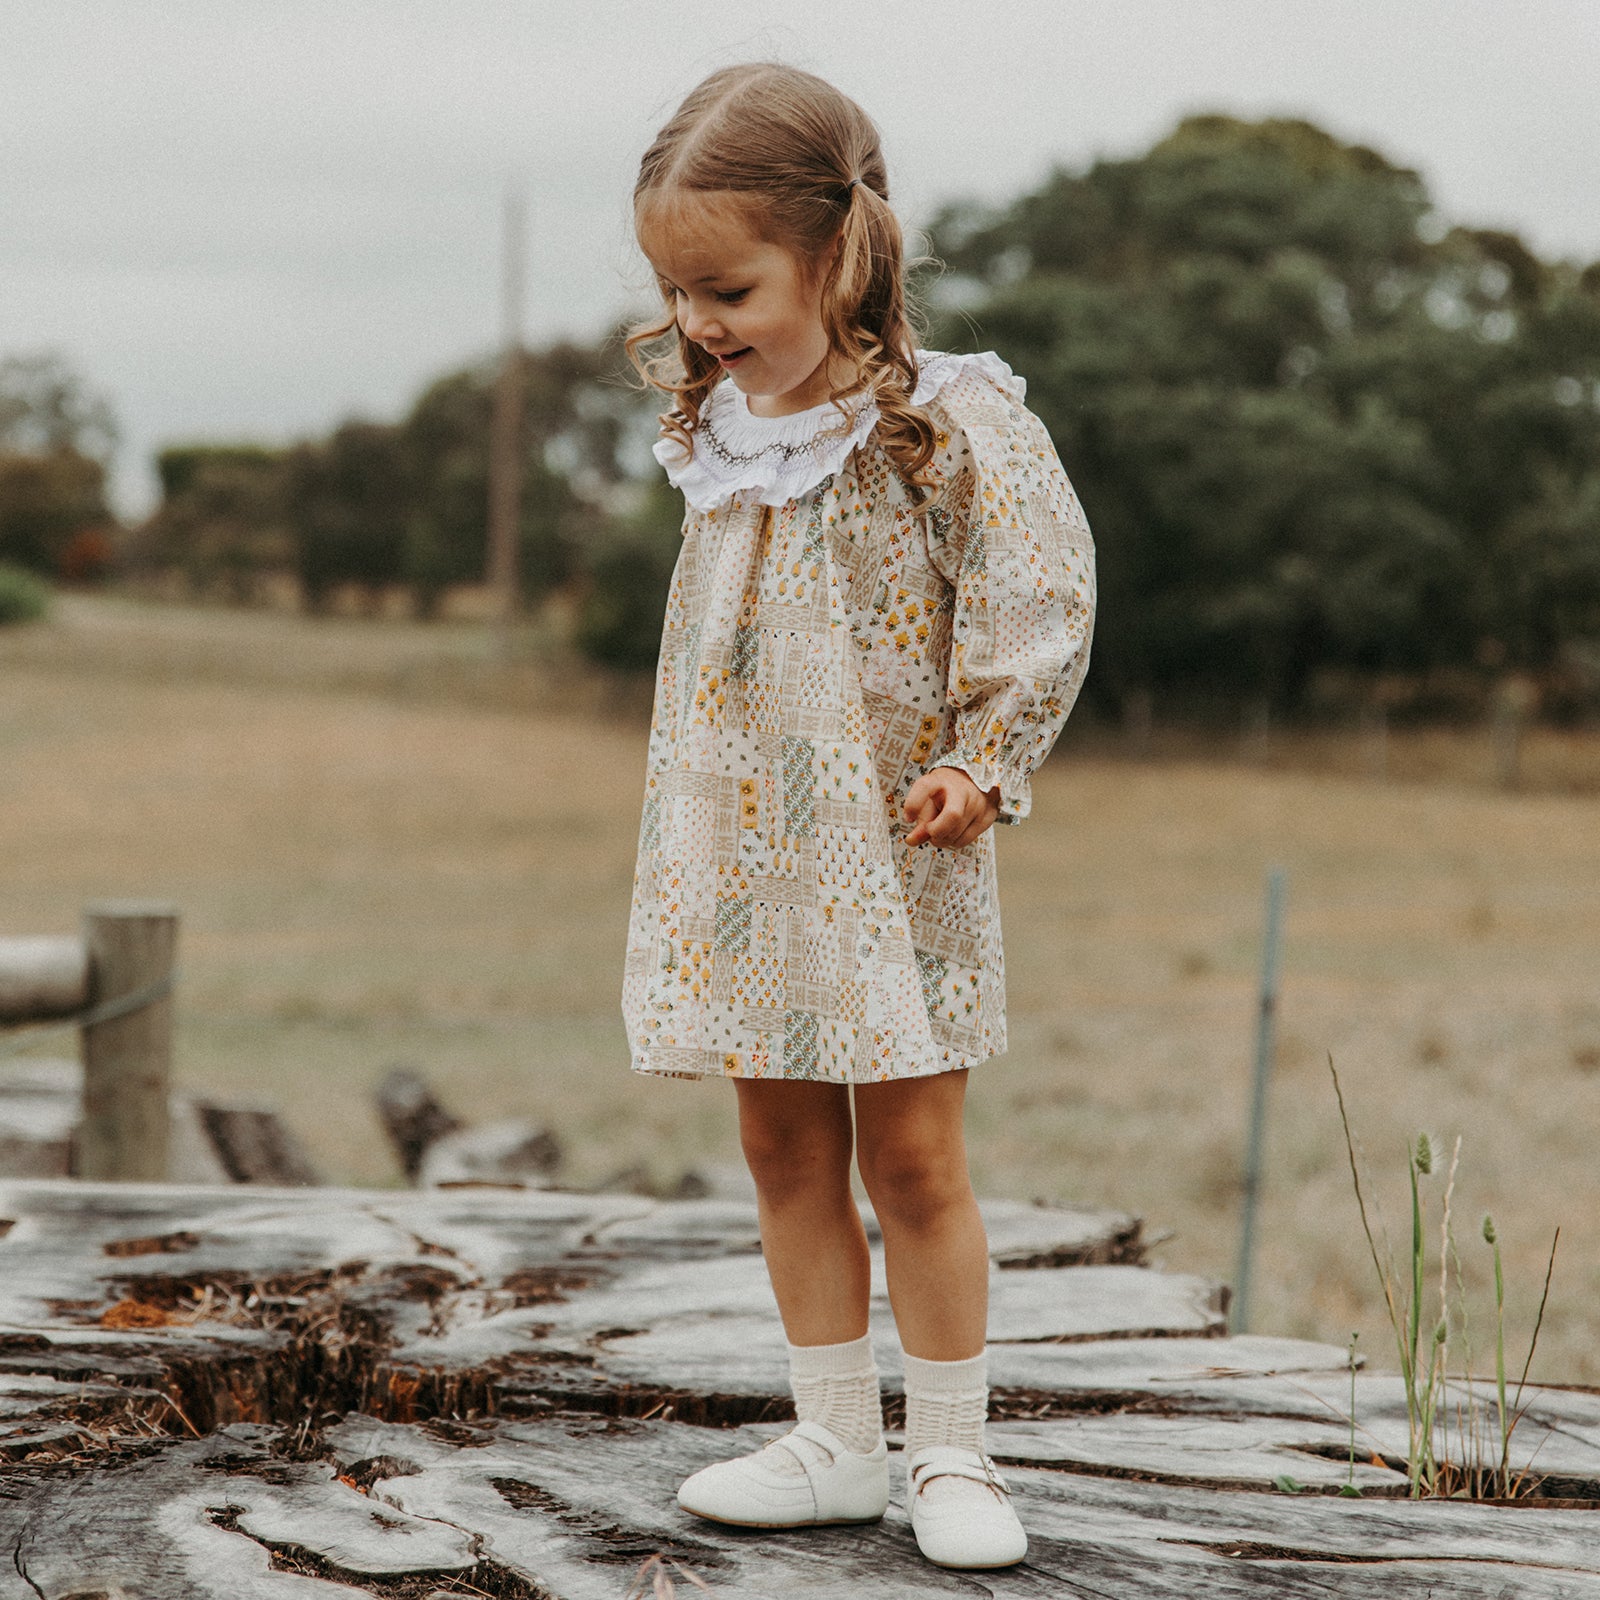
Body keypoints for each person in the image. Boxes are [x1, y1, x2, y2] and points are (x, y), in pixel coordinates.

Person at [620, 62, 1095, 1572]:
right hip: (746, 850)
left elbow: (1039, 592)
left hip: (896, 846)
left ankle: (953, 1452)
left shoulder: (946, 420)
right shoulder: (721, 436)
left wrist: (985, 755)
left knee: (915, 1159)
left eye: (729, 288)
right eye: (678, 291)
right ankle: (833, 1439)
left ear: (840, 251)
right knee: (779, 1147)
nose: (699, 321)